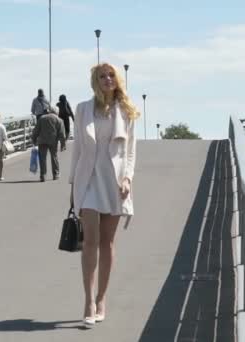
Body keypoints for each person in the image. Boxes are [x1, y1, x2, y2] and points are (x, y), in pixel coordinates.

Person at [68, 62, 139, 328]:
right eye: (102, 76)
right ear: (95, 81)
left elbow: (130, 152)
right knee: (89, 242)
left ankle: (101, 299)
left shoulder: (126, 110)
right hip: (87, 182)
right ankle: (87, 300)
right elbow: (77, 149)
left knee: (107, 243)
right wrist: (72, 184)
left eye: (111, 75)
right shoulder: (83, 109)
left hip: (114, 182)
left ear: (117, 79)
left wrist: (128, 178)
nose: (107, 79)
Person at [31, 108, 66, 182]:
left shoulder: (42, 118)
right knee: (54, 157)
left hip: (42, 141)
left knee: (42, 159)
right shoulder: (59, 120)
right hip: (53, 141)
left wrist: (34, 139)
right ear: (57, 112)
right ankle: (56, 174)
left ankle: (43, 176)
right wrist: (63, 144)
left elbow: (36, 130)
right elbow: (62, 134)